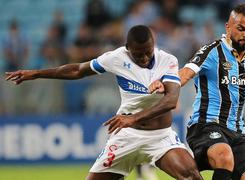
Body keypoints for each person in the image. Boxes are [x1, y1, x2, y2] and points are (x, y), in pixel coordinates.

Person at [5, 25, 203, 180]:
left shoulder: (167, 60)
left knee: (192, 176)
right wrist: (37, 73)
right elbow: (78, 70)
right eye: (138, 54)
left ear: (154, 45)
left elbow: (170, 100)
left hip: (160, 137)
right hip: (125, 136)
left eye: (148, 53)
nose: (144, 58)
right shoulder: (116, 58)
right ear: (128, 49)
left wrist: (132, 118)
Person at [149, 4, 245, 180]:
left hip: (236, 131)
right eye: (241, 29)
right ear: (228, 26)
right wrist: (165, 84)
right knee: (224, 155)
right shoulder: (212, 51)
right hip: (205, 126)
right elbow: (186, 72)